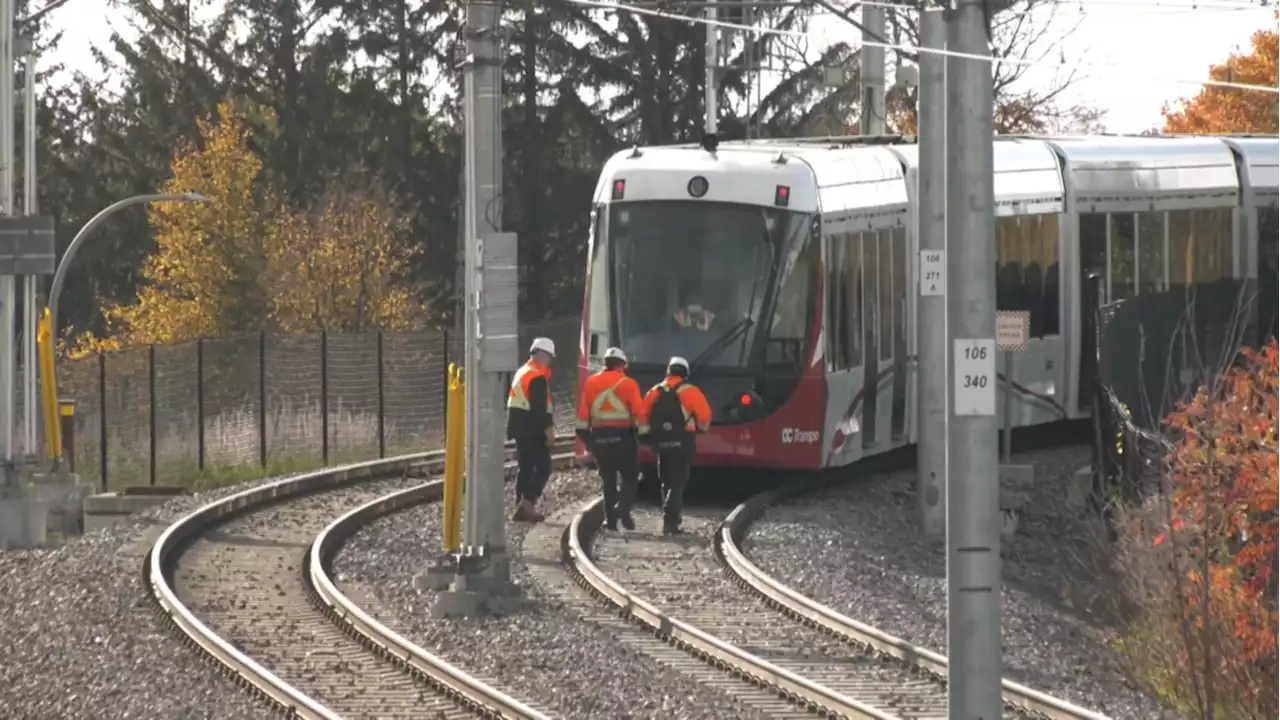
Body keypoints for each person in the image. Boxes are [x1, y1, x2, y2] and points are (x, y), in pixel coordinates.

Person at [639, 356, 711, 535]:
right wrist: (699, 429)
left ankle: (669, 515)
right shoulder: (691, 391)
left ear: (668, 371)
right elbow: (704, 417)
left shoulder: (654, 391)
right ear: (685, 373)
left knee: (665, 480)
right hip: (683, 441)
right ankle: (670, 521)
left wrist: (648, 438)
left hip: (660, 442)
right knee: (678, 482)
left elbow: (641, 417)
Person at [576, 346, 646, 531]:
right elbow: (639, 415)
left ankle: (611, 521)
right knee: (630, 478)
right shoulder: (629, 384)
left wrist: (590, 443)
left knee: (608, 482)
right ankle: (622, 509)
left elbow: (582, 418)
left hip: (600, 438)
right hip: (624, 439)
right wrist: (644, 437)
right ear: (621, 365)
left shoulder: (591, 383)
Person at [507, 337, 556, 523]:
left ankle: (520, 505)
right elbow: (539, 407)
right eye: (550, 356)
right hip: (532, 428)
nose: (550, 360)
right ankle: (527, 504)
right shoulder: (537, 375)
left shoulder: (522, 371)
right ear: (541, 354)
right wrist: (548, 430)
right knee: (543, 467)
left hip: (519, 427)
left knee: (526, 467)